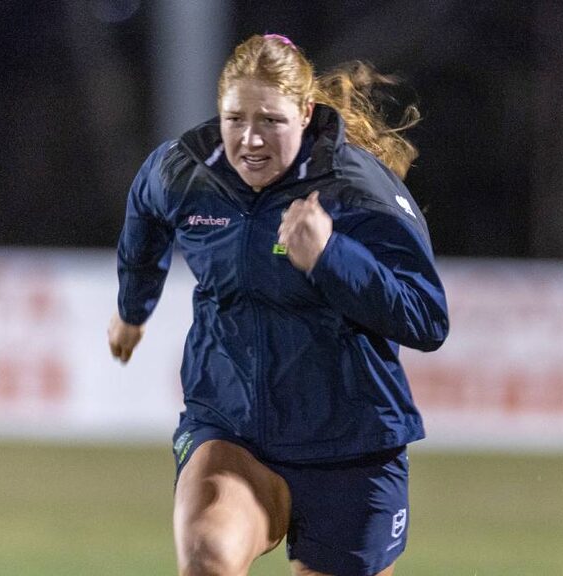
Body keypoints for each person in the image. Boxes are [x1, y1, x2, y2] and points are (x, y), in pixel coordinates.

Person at [108, 34, 449, 576]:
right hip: (232, 428)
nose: (250, 139)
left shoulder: (356, 187)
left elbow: (427, 317)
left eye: (271, 120)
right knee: (207, 557)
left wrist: (330, 256)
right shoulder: (185, 172)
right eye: (235, 118)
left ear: (306, 113)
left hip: (351, 447)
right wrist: (132, 308)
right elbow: (144, 213)